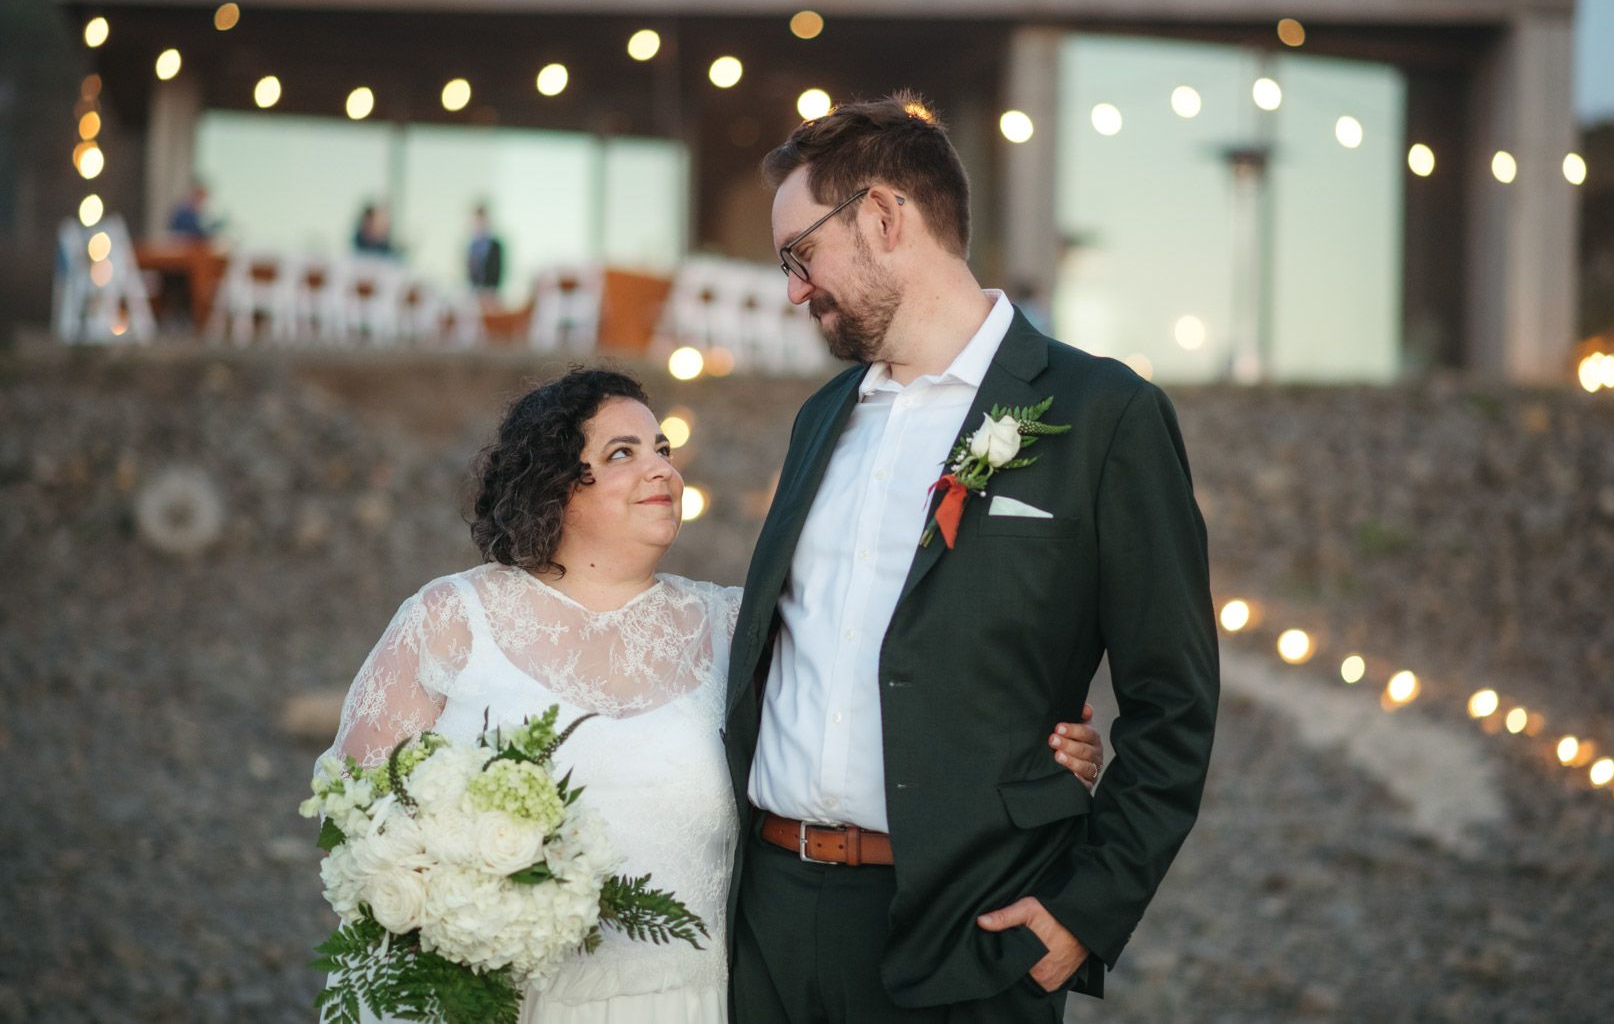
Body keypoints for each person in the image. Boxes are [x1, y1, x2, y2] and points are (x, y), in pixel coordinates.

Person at [319, 368, 1106, 1023]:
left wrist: (1039, 739)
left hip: (689, 1002)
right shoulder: (451, 619)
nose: (662, 467)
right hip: (484, 1001)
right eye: (623, 452)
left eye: (662, 448)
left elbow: (888, 687)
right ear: (553, 481)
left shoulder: (732, 623)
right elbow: (353, 818)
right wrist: (458, 899)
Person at [724, 93, 1219, 1022]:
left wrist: (1086, 909)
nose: (794, 288)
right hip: (773, 920)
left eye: (801, 254)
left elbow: (1176, 702)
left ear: (881, 216)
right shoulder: (820, 418)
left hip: (969, 934)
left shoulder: (1102, 414)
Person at [466, 202, 506, 293]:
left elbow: (498, 272)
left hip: (491, 292)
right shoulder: (472, 246)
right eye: (477, 220)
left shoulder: (495, 245)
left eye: (482, 220)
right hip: (474, 291)